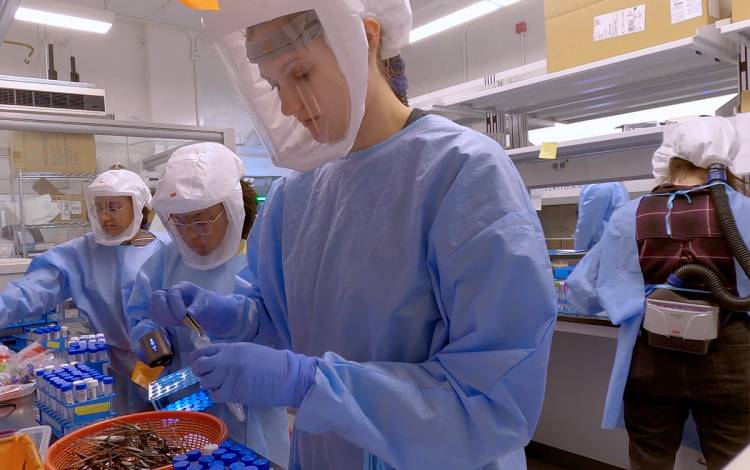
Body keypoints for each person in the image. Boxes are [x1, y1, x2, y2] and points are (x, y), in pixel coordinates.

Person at [152, 1, 557, 468]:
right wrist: (234, 317)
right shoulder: (296, 194)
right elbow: (286, 321)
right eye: (273, 84)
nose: (286, 104)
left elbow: (492, 398)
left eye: (300, 74)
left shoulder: (462, 174)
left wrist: (310, 383)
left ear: (362, 39)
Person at [567, 116, 750, 470]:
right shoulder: (743, 211)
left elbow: (582, 292)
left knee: (650, 458)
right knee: (733, 459)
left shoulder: (628, 215)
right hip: (731, 362)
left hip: (651, 360)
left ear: (671, 158)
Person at [127, 142, 289, 465]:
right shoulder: (163, 263)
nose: (190, 235)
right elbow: (139, 319)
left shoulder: (262, 261)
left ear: (231, 208)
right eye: (181, 223)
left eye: (201, 222)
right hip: (185, 410)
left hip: (254, 415)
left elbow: (282, 333)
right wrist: (150, 337)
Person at [0, 169, 164, 412]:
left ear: (139, 206)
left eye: (113, 207)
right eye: (99, 208)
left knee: (168, 422)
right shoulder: (81, 253)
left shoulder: (166, 249)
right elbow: (32, 290)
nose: (105, 216)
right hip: (112, 367)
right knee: (118, 428)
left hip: (163, 361)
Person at [573, 182, 629, 250]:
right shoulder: (617, 184)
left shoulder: (598, 185)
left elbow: (587, 226)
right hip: (617, 247)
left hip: (602, 250)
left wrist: (578, 251)